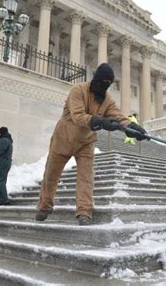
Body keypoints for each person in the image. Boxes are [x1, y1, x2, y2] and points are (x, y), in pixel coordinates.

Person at [35, 63, 147, 225]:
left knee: (86, 177)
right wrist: (101, 122)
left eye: (108, 85)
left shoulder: (106, 99)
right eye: (103, 83)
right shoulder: (78, 90)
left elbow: (118, 116)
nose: (105, 87)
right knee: (51, 175)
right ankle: (44, 206)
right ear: (96, 79)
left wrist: (131, 127)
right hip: (63, 139)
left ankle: (84, 211)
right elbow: (78, 116)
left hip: (85, 143)